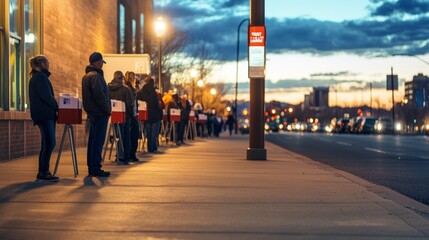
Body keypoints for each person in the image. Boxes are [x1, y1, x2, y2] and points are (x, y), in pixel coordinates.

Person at [29, 55, 59, 182]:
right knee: (50, 143)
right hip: (45, 115)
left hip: (43, 115)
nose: (48, 64)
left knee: (46, 143)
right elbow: (47, 96)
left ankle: (43, 171)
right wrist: (58, 107)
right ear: (41, 64)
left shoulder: (37, 77)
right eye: (47, 62)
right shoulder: (40, 77)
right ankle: (43, 172)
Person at [82, 52, 111, 177]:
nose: (102, 65)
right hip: (99, 114)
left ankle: (92, 167)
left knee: (93, 141)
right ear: (97, 62)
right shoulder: (96, 77)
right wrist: (107, 110)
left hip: (92, 114)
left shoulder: (86, 76)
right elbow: (100, 96)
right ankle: (96, 167)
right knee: (98, 141)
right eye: (101, 62)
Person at [108, 71, 134, 165]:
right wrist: (131, 115)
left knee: (117, 135)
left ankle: (118, 155)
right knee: (125, 136)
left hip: (113, 115)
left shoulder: (108, 88)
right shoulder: (125, 89)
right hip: (124, 116)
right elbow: (129, 104)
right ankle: (123, 156)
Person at [136, 77, 162, 153]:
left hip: (146, 114)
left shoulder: (141, 92)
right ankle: (153, 147)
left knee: (149, 132)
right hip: (155, 114)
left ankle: (149, 147)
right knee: (154, 133)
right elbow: (156, 104)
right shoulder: (154, 92)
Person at [124, 71, 139, 161]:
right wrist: (133, 113)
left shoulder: (129, 87)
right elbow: (131, 102)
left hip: (130, 114)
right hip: (130, 114)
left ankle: (130, 154)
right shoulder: (129, 88)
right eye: (133, 77)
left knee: (130, 135)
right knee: (132, 135)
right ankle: (131, 154)